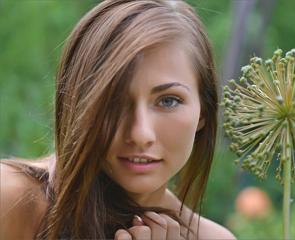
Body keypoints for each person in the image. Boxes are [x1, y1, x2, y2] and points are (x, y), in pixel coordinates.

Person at [0, 0, 236, 239]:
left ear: (203, 112)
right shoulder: (10, 200)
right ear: (80, 105)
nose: (140, 134)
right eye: (114, 101)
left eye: (168, 101)